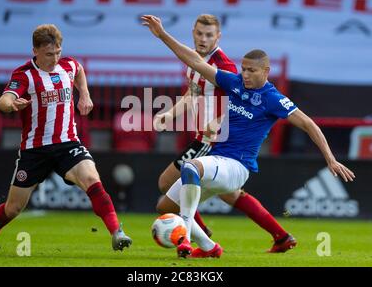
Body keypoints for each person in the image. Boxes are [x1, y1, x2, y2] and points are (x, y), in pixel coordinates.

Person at [142, 15, 355, 258]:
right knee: (165, 206)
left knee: (190, 167)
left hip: (236, 166)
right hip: (217, 159)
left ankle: (187, 240)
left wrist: (330, 158)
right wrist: (162, 35)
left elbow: (308, 124)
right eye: (243, 69)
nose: (244, 74)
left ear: (266, 71)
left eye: (251, 70)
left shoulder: (272, 99)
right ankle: (212, 248)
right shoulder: (234, 83)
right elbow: (193, 61)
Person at [0, 24, 132, 255]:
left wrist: (84, 94)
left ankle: (117, 232)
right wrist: (12, 104)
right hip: (34, 150)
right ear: (35, 51)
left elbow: (79, 70)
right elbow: (3, 101)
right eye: (49, 54)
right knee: (14, 207)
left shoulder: (67, 65)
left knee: (90, 177)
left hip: (68, 143)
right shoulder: (24, 75)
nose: (55, 58)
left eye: (58, 52)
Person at [154, 15, 296, 251]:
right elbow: (194, 93)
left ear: (218, 37)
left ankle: (198, 234)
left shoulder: (225, 67)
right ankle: (280, 236)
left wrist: (219, 121)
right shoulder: (196, 61)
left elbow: (242, 102)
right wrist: (171, 114)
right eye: (199, 33)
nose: (203, 38)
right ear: (193, 33)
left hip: (213, 140)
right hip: (204, 137)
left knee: (166, 184)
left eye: (209, 34)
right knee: (231, 194)